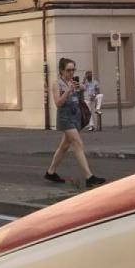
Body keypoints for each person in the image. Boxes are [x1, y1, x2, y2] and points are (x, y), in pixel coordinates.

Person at [45, 58, 105, 188]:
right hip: (65, 118)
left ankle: (51, 172)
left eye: (73, 70)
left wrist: (81, 89)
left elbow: (80, 98)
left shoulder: (74, 82)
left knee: (64, 146)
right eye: (68, 70)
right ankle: (89, 176)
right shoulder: (57, 84)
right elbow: (58, 103)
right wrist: (68, 91)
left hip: (75, 116)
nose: (71, 73)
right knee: (78, 143)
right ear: (61, 70)